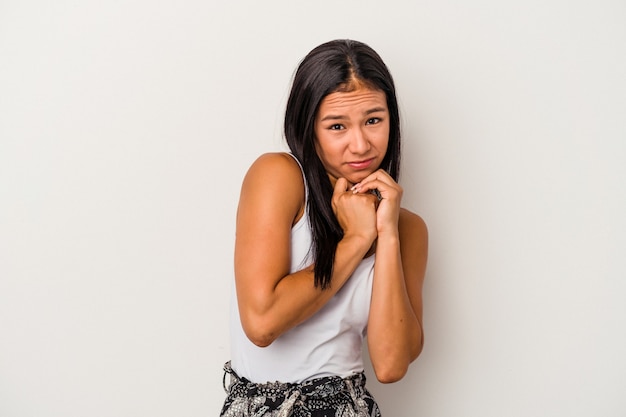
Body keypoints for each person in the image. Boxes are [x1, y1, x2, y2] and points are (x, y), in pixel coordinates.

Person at [220, 39, 428, 417]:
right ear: (309, 128)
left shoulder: (408, 228)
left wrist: (388, 233)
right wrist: (356, 240)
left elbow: (391, 364)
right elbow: (262, 323)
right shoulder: (279, 177)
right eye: (337, 126)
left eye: (374, 120)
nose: (361, 144)